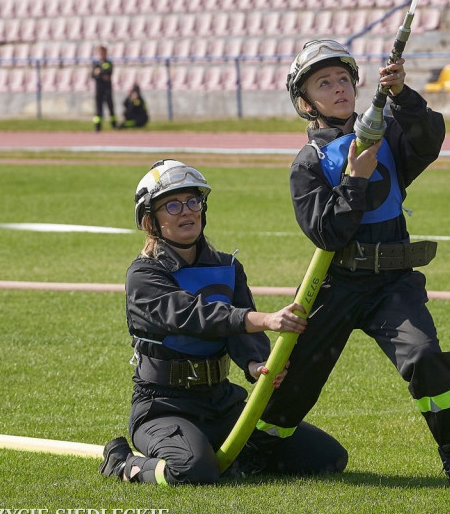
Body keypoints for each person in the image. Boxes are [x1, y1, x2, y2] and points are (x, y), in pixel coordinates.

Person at [254, 39, 450, 490]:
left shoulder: (388, 132)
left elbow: (430, 139)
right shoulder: (307, 164)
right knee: (293, 382)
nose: (339, 88)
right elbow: (328, 234)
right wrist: (355, 182)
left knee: (425, 357)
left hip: (393, 284)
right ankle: (257, 454)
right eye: (324, 83)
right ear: (305, 101)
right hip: (335, 286)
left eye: (344, 79)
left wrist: (403, 95)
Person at [99, 158, 347, 486]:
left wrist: (256, 362)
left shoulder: (229, 266)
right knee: (193, 471)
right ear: (150, 221)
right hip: (163, 406)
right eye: (172, 205)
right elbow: (194, 315)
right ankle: (121, 463)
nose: (186, 211)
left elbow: (239, 336)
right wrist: (266, 320)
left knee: (327, 458)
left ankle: (232, 458)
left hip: (223, 402)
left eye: (193, 202)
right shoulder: (144, 274)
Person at [91, 45, 117, 132]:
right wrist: (100, 74)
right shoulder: (96, 64)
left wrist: (99, 73)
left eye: (103, 52)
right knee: (98, 108)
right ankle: (97, 126)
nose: (101, 54)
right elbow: (93, 75)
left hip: (107, 88)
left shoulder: (108, 63)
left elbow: (108, 74)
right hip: (99, 89)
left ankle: (114, 124)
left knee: (110, 106)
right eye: (100, 53)